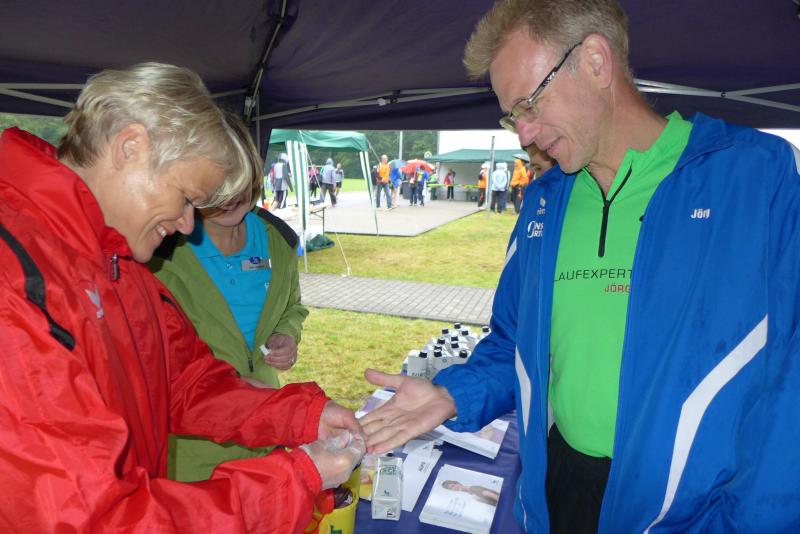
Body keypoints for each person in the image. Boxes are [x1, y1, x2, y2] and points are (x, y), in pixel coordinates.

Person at [360, 1, 800, 533]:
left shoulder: (754, 177)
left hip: (697, 513)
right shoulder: (545, 202)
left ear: (595, 61)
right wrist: (455, 394)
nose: (524, 134)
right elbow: (514, 342)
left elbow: (788, 387)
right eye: (512, 115)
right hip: (562, 484)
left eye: (529, 104)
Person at [0, 62, 364, 532]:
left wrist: (305, 416)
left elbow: (186, 383)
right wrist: (296, 477)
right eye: (187, 198)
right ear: (130, 147)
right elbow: (93, 520)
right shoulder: (17, 280)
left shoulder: (117, 263)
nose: (189, 224)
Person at [149, 118, 309, 483]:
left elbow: (293, 306)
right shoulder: (161, 251)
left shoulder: (278, 238)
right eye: (216, 184)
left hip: (265, 425)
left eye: (238, 178)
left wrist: (288, 334)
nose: (231, 195)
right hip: (193, 446)